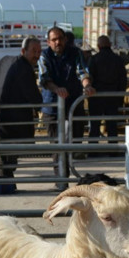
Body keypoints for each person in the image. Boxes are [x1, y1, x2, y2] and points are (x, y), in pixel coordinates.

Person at [38, 26, 94, 189]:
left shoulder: (75, 53)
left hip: (73, 102)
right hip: (53, 105)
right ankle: (61, 179)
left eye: (60, 38)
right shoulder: (45, 55)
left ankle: (68, 169)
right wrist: (56, 89)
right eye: (54, 39)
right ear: (48, 42)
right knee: (57, 144)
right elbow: (44, 77)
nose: (58, 42)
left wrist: (87, 85)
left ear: (65, 39)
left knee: (75, 139)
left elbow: (82, 72)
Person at [0, 37, 43, 188]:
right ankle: (7, 184)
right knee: (9, 155)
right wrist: (40, 105)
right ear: (23, 51)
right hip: (14, 119)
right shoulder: (24, 68)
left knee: (4, 153)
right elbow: (33, 95)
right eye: (34, 51)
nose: (37, 55)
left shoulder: (6, 60)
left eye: (39, 52)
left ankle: (7, 182)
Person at [87, 35, 127, 148]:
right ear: (110, 45)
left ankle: (93, 149)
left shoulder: (94, 59)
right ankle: (113, 149)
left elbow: (89, 77)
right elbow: (123, 79)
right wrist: (121, 97)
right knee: (112, 125)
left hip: (96, 97)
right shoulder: (118, 60)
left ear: (98, 46)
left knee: (95, 125)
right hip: (113, 96)